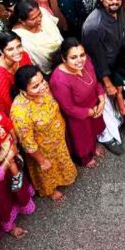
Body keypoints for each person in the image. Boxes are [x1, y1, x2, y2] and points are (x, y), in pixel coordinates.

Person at [9, 65, 77, 202]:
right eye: (35, 86)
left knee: (61, 163)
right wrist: (41, 160)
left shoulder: (43, 90)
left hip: (57, 140)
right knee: (46, 170)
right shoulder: (20, 113)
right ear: (23, 90)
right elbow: (28, 144)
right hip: (42, 150)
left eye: (42, 81)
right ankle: (50, 191)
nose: (42, 87)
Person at [82, 0, 125, 154]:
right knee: (105, 105)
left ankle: (117, 123)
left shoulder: (120, 12)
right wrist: (106, 82)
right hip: (101, 73)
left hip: (117, 66)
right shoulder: (94, 25)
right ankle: (108, 137)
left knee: (116, 102)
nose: (114, 1)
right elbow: (96, 58)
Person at [49, 38, 107, 168]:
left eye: (82, 55)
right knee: (82, 139)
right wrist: (90, 112)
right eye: (73, 57)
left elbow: (95, 82)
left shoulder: (87, 61)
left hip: (94, 106)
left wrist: (102, 99)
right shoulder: (59, 80)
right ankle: (86, 158)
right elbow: (69, 108)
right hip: (78, 116)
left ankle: (93, 147)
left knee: (94, 130)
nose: (80, 60)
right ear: (64, 59)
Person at [9, 0, 63, 75]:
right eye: (33, 19)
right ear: (22, 21)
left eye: (39, 15)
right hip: (48, 73)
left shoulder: (43, 13)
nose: (39, 19)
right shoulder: (20, 38)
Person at [0, 32, 34, 116]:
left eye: (19, 46)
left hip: (31, 95)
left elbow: (32, 77)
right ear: (2, 52)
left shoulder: (24, 56)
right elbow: (8, 103)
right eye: (10, 49)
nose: (16, 52)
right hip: (14, 109)